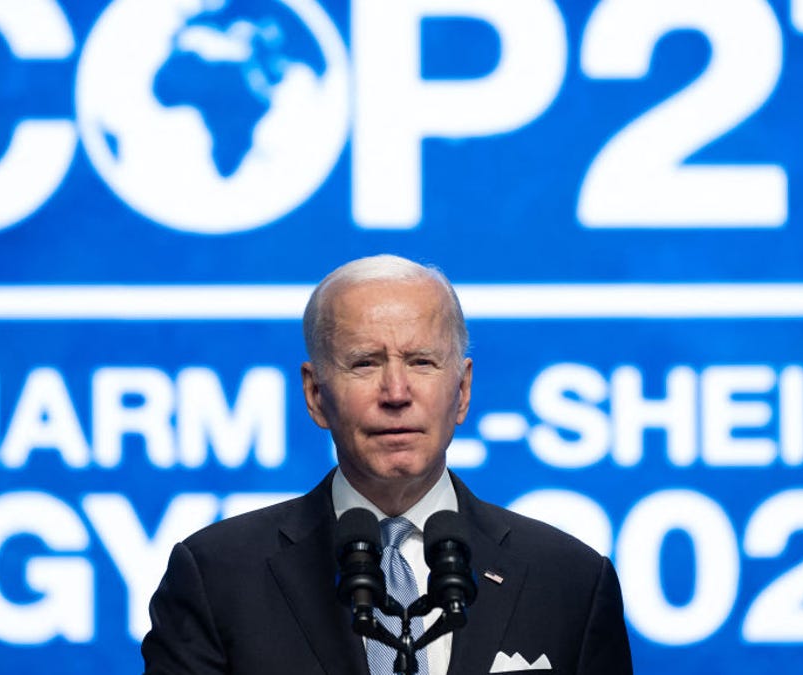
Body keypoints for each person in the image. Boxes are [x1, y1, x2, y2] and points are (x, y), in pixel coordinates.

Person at [142, 254, 633, 675]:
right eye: (365, 363)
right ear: (315, 395)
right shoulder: (218, 576)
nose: (396, 394)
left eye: (421, 362)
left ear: (461, 392)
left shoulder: (569, 580)